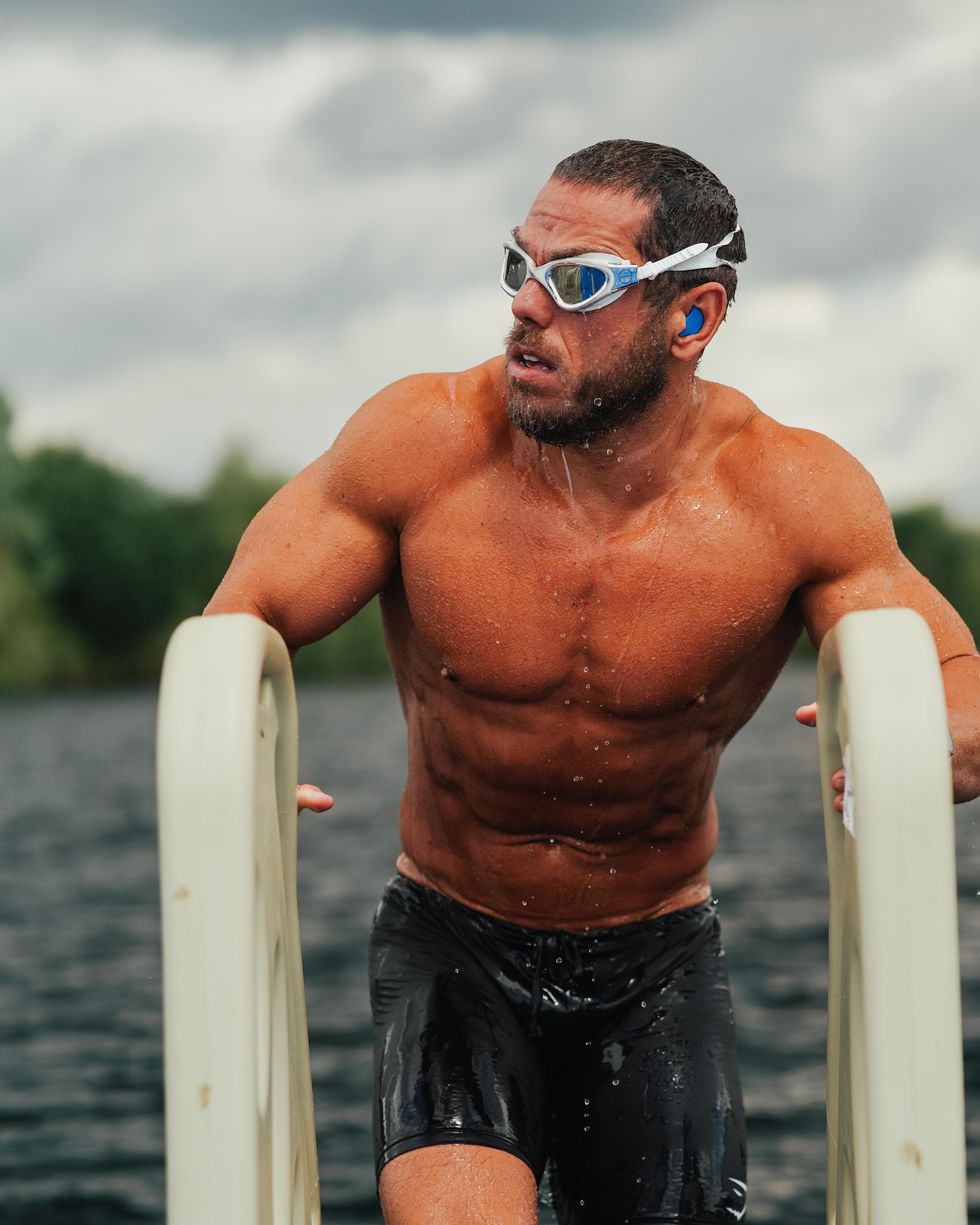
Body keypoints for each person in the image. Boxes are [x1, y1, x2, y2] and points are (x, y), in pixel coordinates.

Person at [204, 139, 980, 1225]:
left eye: (576, 283)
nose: (526, 306)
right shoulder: (419, 443)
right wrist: (224, 763)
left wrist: (938, 741)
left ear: (691, 317)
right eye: (519, 267)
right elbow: (243, 615)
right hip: (452, 938)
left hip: (655, 959)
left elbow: (955, 675)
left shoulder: (790, 495)